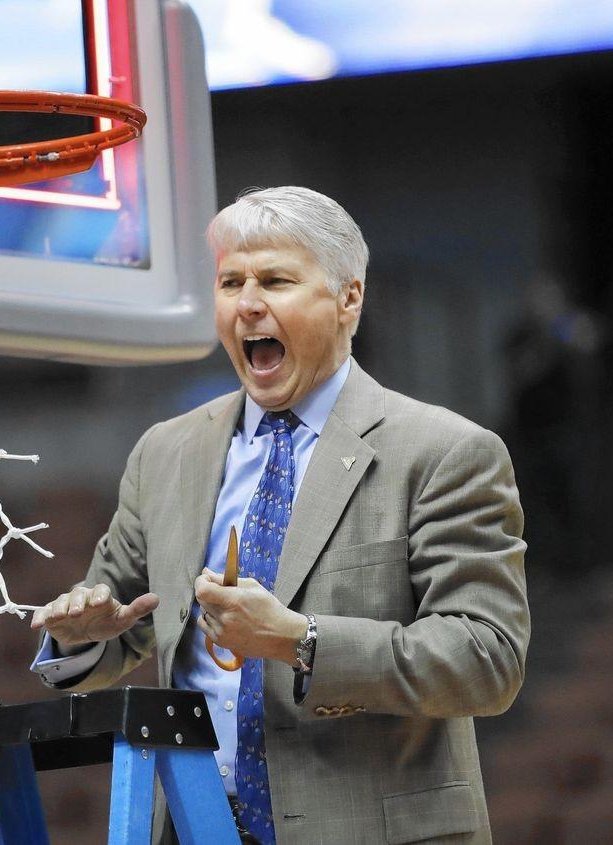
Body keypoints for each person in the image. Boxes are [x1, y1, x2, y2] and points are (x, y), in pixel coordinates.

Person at [29, 186, 530, 844]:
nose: (247, 303)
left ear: (349, 299)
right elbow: (119, 622)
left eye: (275, 280)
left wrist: (300, 641)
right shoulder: (164, 454)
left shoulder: (444, 453)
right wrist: (78, 637)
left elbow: (487, 660)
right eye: (230, 282)